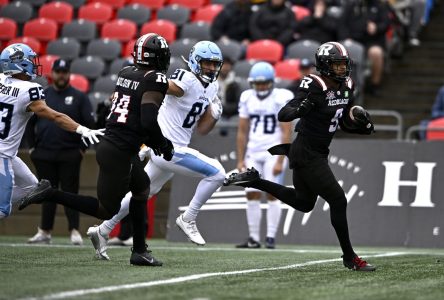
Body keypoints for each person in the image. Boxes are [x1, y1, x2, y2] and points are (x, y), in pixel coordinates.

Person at [18, 33, 174, 267]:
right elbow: (148, 121)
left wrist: (151, 141)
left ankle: (140, 251)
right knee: (105, 210)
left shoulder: (125, 72)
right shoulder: (156, 79)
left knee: (142, 188)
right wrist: (163, 144)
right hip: (119, 150)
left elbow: (130, 112)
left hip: (116, 144)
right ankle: (50, 193)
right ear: (157, 57)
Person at [224, 41, 377, 271]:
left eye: (343, 65)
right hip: (306, 152)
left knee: (304, 203)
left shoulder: (347, 85)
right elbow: (284, 114)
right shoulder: (313, 84)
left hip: (317, 152)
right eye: (336, 65)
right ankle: (350, 257)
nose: (341, 69)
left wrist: (361, 127)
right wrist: (300, 110)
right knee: (338, 199)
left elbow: (342, 120)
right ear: (324, 66)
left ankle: (255, 181)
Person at [88, 41, 226, 259]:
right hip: (168, 148)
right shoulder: (186, 78)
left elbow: (202, 129)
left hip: (171, 150)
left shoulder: (212, 87)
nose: (211, 68)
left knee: (143, 192)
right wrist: (135, 88)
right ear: (195, 61)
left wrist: (215, 113)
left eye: (214, 64)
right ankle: (188, 218)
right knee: (218, 172)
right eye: (207, 63)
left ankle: (103, 229)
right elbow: (161, 87)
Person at [0, 43, 103, 220]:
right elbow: (55, 117)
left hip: (8, 154)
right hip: (3, 155)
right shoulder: (28, 90)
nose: (33, 63)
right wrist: (81, 129)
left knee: (34, 188)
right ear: (18, 63)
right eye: (30, 60)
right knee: (3, 210)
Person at [27, 59, 95, 246]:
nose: (61, 75)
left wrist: (81, 149)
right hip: (44, 153)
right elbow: (29, 123)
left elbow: (89, 124)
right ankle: (44, 231)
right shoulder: (43, 95)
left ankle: (74, 230)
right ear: (53, 73)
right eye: (58, 71)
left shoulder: (79, 97)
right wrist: (32, 147)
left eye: (64, 72)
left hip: (69, 154)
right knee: (46, 192)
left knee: (70, 192)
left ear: (69, 73)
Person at [235, 62, 293, 249]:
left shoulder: (280, 98)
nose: (260, 87)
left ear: (271, 82)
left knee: (272, 194)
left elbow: (286, 130)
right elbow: (242, 131)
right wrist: (240, 159)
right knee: (251, 193)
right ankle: (253, 238)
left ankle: (270, 237)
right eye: (257, 83)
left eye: (264, 83)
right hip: (253, 151)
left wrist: (280, 158)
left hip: (273, 152)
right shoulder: (247, 97)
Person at [338, 0, 391, 96]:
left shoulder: (380, 5)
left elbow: (386, 23)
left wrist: (377, 28)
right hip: (353, 40)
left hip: (372, 41)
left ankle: (374, 84)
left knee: (376, 52)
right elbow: (342, 24)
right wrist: (346, 38)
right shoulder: (351, 5)